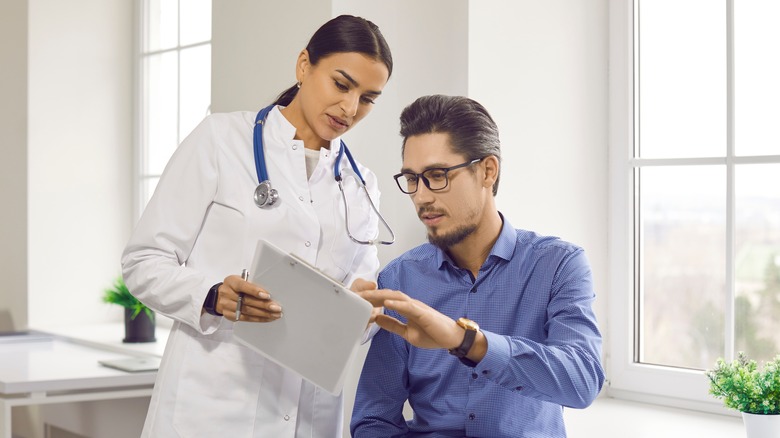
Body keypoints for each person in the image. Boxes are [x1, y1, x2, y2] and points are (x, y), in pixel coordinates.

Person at [121, 15, 393, 438]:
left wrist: (363, 310)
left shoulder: (362, 184)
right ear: (304, 65)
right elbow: (143, 262)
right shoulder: (220, 140)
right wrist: (212, 295)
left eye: (369, 98)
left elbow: (362, 297)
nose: (350, 109)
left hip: (309, 411)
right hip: (212, 403)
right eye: (342, 84)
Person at [351, 95, 605, 437]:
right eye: (412, 179)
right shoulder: (400, 278)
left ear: (488, 170)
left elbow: (582, 380)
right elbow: (373, 421)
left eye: (437, 175)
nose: (422, 197)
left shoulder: (558, 264)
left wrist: (466, 341)